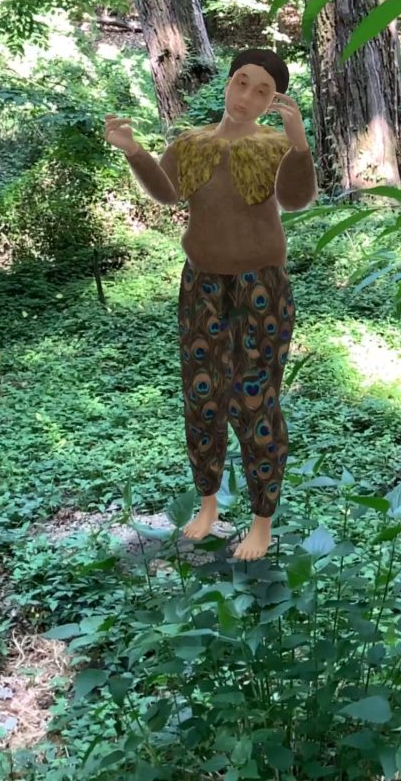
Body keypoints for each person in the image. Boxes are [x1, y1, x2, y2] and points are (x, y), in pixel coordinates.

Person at [105, 49, 318, 560]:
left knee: (255, 399)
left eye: (262, 91)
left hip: (261, 287)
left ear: (274, 101)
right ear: (227, 81)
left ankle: (262, 521)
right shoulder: (192, 143)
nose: (247, 97)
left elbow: (296, 200)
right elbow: (167, 192)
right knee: (203, 396)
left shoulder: (275, 146)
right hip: (201, 284)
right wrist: (134, 152)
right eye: (242, 82)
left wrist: (299, 146)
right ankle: (207, 504)